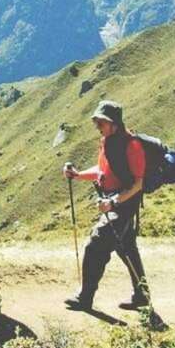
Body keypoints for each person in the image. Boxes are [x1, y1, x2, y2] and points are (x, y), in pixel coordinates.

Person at [62, 100, 150, 312]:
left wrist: (113, 202)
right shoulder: (106, 142)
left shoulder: (132, 145)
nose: (98, 126)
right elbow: (103, 171)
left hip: (124, 204)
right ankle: (142, 295)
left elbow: (139, 183)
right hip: (112, 202)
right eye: (97, 122)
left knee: (96, 245)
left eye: (102, 122)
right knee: (126, 248)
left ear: (114, 123)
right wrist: (78, 174)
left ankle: (85, 298)